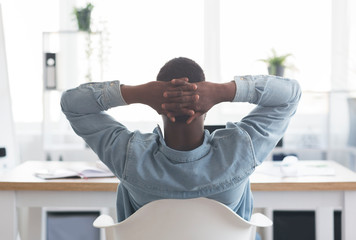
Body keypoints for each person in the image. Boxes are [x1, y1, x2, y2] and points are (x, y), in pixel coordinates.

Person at [61, 57, 301, 223]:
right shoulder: (240, 149)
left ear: (158, 107)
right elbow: (290, 95)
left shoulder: (129, 156)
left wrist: (137, 93)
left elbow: (72, 104)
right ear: (206, 108)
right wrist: (224, 91)